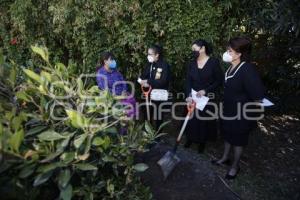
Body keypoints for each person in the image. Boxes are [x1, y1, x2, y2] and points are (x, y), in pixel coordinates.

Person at [212, 37, 265, 179]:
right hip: (228, 110)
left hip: (241, 114)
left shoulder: (247, 69)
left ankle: (235, 166)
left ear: (239, 53)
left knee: (238, 140)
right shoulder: (231, 67)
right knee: (228, 136)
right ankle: (224, 158)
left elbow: (258, 95)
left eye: (229, 51)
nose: (226, 53)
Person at [184, 39, 223, 153]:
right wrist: (188, 95)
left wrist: (206, 90)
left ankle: (202, 142)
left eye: (195, 49)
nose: (193, 51)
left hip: (206, 98)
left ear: (202, 49)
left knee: (203, 121)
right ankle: (190, 139)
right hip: (193, 96)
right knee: (191, 119)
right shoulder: (192, 63)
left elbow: (219, 80)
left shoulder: (213, 62)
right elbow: (188, 81)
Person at [139, 44, 171, 130]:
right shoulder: (149, 65)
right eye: (148, 54)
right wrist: (141, 82)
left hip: (159, 96)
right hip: (147, 95)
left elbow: (163, 81)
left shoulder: (164, 65)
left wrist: (148, 82)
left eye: (150, 54)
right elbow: (142, 77)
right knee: (147, 114)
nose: (148, 56)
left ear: (157, 55)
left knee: (158, 116)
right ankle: (147, 132)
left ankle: (158, 135)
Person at [96, 51, 137, 119]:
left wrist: (124, 91)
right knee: (124, 108)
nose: (113, 61)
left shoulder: (115, 71)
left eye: (113, 59)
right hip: (112, 97)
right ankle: (123, 124)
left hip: (123, 94)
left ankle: (131, 122)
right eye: (111, 59)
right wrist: (118, 94)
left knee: (132, 100)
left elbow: (123, 81)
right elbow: (104, 89)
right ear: (105, 61)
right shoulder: (100, 73)